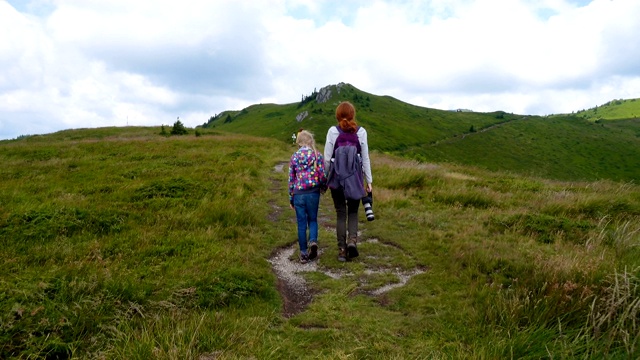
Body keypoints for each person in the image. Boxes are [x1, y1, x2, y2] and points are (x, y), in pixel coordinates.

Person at [324, 101, 373, 262]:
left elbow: (326, 159)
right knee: (353, 212)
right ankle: (352, 241)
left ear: (337, 115)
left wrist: (325, 179)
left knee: (340, 213)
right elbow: (365, 158)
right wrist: (369, 181)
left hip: (337, 179)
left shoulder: (332, 131)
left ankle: (342, 250)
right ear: (353, 115)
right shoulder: (361, 132)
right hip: (355, 179)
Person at [288, 130, 327, 263]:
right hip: (313, 193)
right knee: (313, 219)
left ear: (299, 142)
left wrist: (291, 198)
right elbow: (322, 175)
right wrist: (323, 187)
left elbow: (291, 179)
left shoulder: (294, 157)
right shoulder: (317, 155)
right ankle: (313, 241)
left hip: (298, 194)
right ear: (310, 141)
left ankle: (304, 253)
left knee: (301, 224)